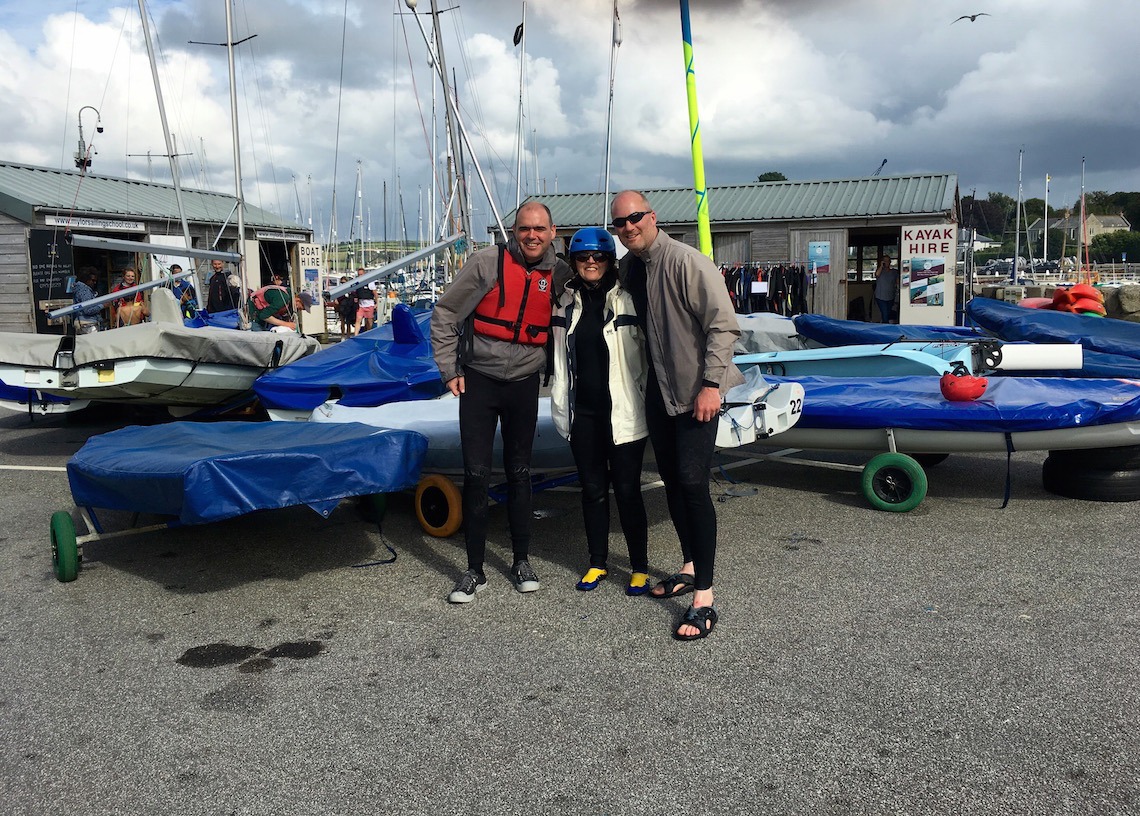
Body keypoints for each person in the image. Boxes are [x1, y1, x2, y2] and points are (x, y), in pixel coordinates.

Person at [611, 190, 743, 641]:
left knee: (691, 483)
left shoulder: (686, 261)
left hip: (695, 393)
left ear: (652, 216)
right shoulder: (630, 268)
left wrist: (710, 385)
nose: (627, 227)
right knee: (672, 481)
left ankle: (704, 597)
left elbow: (723, 325)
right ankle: (689, 566)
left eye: (634, 218)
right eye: (619, 224)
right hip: (660, 394)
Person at [430, 201, 570, 604]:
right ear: (514, 230)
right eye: (524, 229)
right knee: (476, 473)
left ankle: (521, 560)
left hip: (524, 383)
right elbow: (445, 316)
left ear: (551, 232)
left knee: (520, 471)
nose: (532, 236)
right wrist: (448, 370)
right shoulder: (485, 264)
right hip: (479, 382)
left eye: (539, 229)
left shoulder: (560, 274)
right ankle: (474, 569)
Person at [550, 227, 651, 596]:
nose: (591, 262)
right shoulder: (564, 304)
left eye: (599, 256)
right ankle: (597, 562)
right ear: (573, 263)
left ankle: (639, 566)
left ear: (610, 260)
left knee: (627, 490)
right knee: (592, 490)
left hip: (623, 413)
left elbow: (649, 355)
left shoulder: (628, 301)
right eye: (582, 257)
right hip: (584, 416)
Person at [71, 267, 104, 334]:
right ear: (86, 279)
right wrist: (102, 305)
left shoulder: (79, 288)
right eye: (93, 280)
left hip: (83, 322)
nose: (94, 283)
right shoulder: (84, 290)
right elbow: (88, 310)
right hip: (87, 323)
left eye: (95, 281)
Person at [873, 254, 898, 324]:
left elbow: (898, 282)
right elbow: (877, 274)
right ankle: (885, 330)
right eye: (885, 261)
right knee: (885, 315)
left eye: (888, 261)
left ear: (890, 262)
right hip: (880, 297)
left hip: (890, 296)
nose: (886, 262)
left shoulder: (894, 272)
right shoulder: (880, 271)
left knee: (888, 313)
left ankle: (884, 326)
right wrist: (881, 266)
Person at [353, 268, 377, 335]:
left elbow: (375, 293)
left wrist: (377, 303)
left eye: (361, 274)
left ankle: (368, 333)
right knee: (358, 320)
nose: (360, 276)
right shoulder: (357, 283)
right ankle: (356, 335)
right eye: (359, 275)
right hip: (361, 305)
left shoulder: (370, 283)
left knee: (369, 321)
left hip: (369, 304)